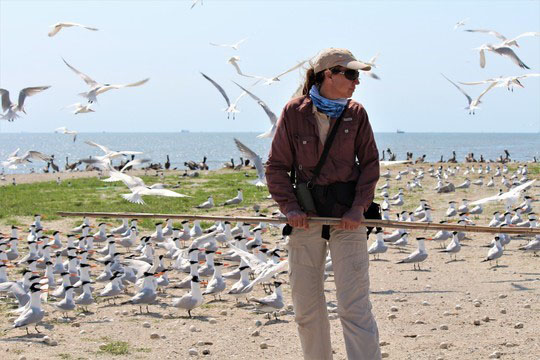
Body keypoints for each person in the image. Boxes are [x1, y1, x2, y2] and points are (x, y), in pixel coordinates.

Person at [266, 48, 381, 360]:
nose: (357, 82)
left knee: (354, 307)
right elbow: (276, 167)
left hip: (349, 218)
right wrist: (290, 208)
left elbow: (370, 165)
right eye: (351, 74)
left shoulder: (357, 113)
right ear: (329, 74)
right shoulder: (293, 112)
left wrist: (358, 208)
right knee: (306, 307)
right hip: (307, 218)